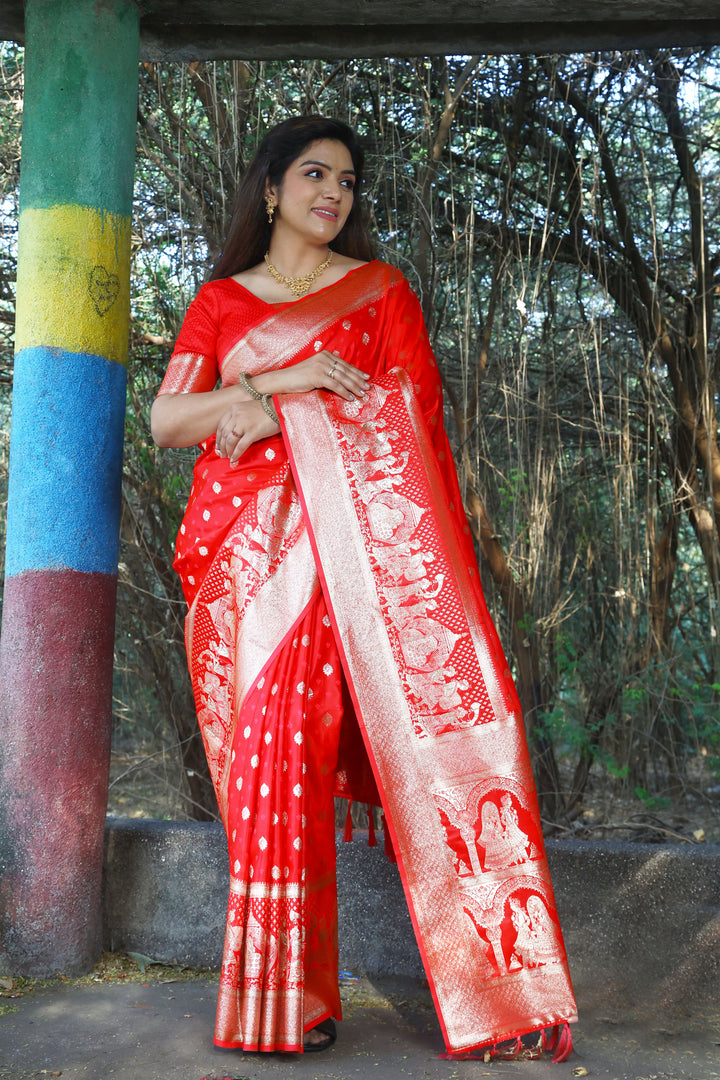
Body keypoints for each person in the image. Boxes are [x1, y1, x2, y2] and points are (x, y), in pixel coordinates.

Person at [152, 115, 576, 1058]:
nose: (334, 194)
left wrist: (268, 413)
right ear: (270, 190)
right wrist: (285, 383)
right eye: (313, 175)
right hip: (246, 578)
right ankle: (285, 1002)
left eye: (346, 180)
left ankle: (503, 999)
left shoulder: (381, 293)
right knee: (272, 775)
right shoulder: (221, 303)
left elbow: (412, 421)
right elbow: (168, 420)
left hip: (368, 575)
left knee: (439, 746)